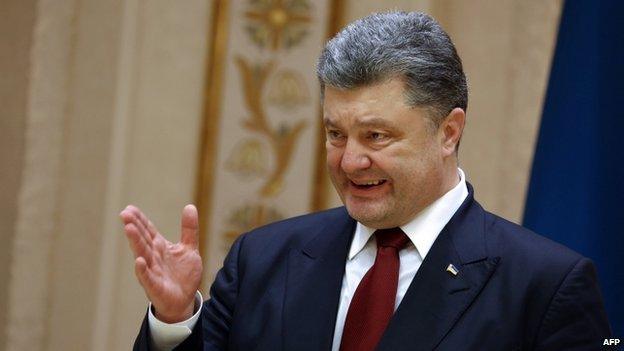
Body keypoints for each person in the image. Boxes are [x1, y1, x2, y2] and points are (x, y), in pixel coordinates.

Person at [120, 11, 612, 351]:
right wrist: (174, 320)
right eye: (336, 134)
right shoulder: (263, 260)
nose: (351, 161)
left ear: (448, 132)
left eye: (376, 136)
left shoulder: (545, 285)